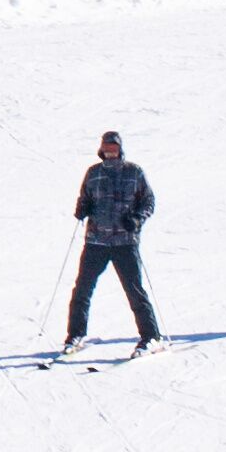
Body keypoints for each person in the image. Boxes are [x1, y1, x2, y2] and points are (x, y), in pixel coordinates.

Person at [63, 129, 162, 352]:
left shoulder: (134, 172)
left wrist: (137, 219)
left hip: (124, 242)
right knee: (82, 290)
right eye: (107, 149)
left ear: (120, 150)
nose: (110, 153)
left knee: (134, 290)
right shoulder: (93, 173)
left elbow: (148, 201)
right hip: (96, 241)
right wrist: (82, 209)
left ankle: (151, 337)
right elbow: (84, 198)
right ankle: (75, 335)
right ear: (101, 150)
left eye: (114, 149)